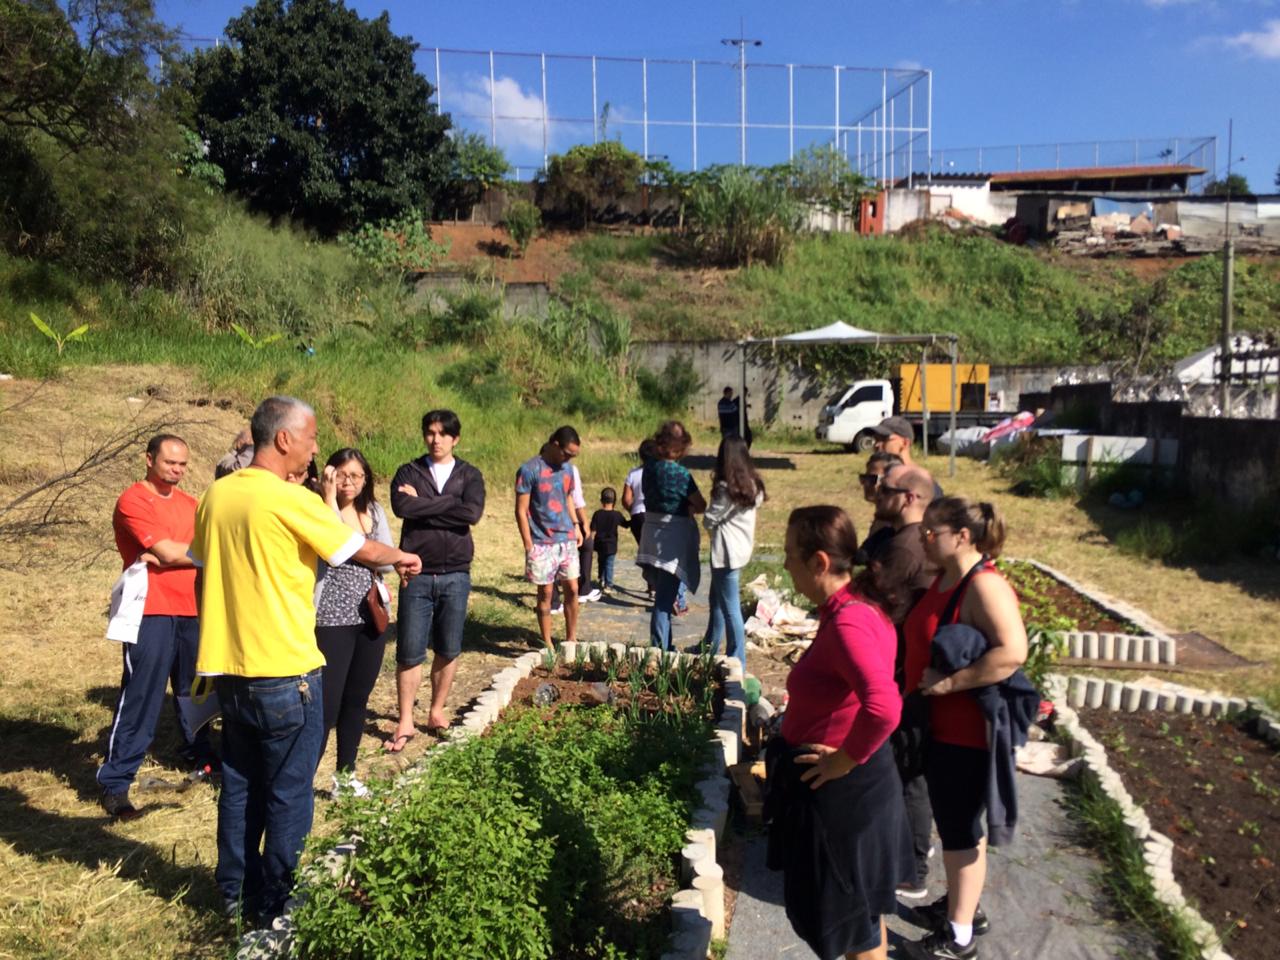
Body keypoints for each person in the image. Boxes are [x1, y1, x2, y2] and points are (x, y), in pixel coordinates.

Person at [192, 396, 421, 924]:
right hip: (286, 669)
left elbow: (204, 567)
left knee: (241, 785)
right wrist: (402, 555)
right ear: (284, 440)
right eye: (312, 437)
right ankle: (276, 901)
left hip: (229, 667)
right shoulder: (288, 498)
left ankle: (233, 895)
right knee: (290, 791)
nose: (318, 448)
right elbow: (357, 548)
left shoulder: (217, 494)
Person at [767, 505, 914, 960]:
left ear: (819, 562)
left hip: (843, 801)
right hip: (849, 793)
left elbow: (885, 707)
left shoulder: (850, 621)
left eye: (791, 554)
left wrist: (842, 760)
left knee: (853, 926)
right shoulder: (851, 609)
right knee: (864, 923)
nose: (786, 564)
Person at [902, 497, 1030, 960]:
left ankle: (958, 937)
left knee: (959, 830)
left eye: (930, 533)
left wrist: (950, 683)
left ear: (963, 536)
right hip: (940, 730)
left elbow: (1013, 652)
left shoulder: (984, 587)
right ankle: (963, 907)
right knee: (956, 827)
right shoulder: (945, 579)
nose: (923, 539)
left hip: (968, 736)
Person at [99, 434, 212, 819]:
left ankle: (202, 758)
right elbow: (165, 552)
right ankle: (116, 783)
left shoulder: (191, 504)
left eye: (182, 464)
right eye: (169, 463)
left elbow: (190, 549)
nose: (177, 470)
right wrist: (172, 553)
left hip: (192, 608)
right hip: (150, 609)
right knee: (142, 695)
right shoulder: (133, 500)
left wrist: (172, 554)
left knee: (194, 691)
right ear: (149, 459)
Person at [386, 410, 486, 750]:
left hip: (456, 572)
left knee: (449, 646)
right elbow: (403, 508)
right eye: (430, 432)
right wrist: (448, 506)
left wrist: (424, 503)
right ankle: (405, 720)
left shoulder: (469, 474)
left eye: (443, 434)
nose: (436, 439)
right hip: (416, 572)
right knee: (409, 651)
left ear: (455, 438)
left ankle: (437, 710)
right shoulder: (408, 471)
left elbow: (471, 513)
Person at [866, 463, 939, 900]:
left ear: (910, 497)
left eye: (885, 488)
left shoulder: (908, 548)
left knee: (908, 770)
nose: (877, 492)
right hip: (905, 666)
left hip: (903, 670)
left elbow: (871, 597)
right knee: (906, 768)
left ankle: (912, 868)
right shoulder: (908, 540)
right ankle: (910, 854)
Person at [312, 448, 393, 795]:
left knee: (357, 699)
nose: (349, 481)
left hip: (369, 613)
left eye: (356, 475)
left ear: (366, 479)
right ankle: (301, 780)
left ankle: (345, 776)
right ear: (329, 475)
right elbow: (334, 546)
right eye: (342, 474)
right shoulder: (317, 509)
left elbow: (387, 559)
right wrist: (329, 498)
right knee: (327, 707)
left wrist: (374, 554)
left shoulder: (373, 511)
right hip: (331, 617)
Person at [636, 420, 706, 651]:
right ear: (680, 447)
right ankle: (659, 650)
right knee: (664, 600)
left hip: (650, 533)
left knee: (662, 595)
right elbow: (701, 504)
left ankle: (666, 644)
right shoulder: (681, 474)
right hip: (672, 538)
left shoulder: (648, 469)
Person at [698, 436, 765, 674]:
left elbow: (709, 518)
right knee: (716, 601)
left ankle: (737, 658)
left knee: (729, 608)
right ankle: (709, 645)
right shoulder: (753, 486)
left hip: (725, 554)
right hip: (740, 551)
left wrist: (709, 522)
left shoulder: (726, 489)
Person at [515, 426, 583, 651]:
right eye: (567, 453)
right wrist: (528, 544)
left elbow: (568, 498)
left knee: (572, 588)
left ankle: (571, 638)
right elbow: (521, 510)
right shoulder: (529, 469)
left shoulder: (568, 471)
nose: (570, 459)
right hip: (541, 541)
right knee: (545, 592)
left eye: (574, 455)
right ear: (555, 444)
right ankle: (547, 643)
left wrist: (577, 526)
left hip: (567, 539)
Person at [622, 439, 657, 598]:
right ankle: (657, 585)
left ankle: (651, 585)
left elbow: (626, 500)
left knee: (645, 550)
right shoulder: (659, 472)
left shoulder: (633, 473)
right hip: (655, 514)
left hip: (637, 516)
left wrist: (633, 509)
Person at [855, 450, 903, 563]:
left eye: (872, 479)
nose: (866, 484)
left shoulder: (896, 523)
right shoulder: (881, 518)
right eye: (864, 478)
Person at [589, 487, 627, 592]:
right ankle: (608, 584)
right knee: (609, 563)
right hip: (611, 544)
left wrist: (590, 542)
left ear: (601, 500)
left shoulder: (597, 514)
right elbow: (626, 525)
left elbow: (593, 530)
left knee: (601, 561)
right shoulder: (616, 515)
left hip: (599, 543)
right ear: (614, 501)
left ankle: (601, 578)